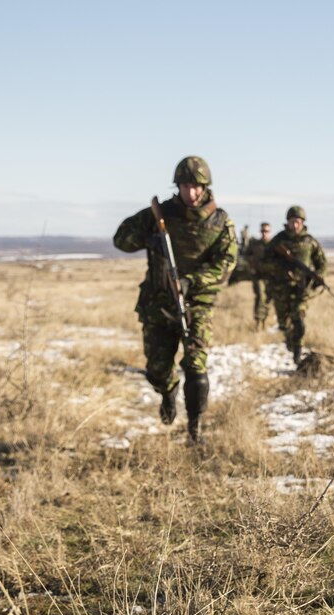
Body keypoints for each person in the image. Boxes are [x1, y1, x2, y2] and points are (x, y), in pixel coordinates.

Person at [112, 156, 238, 442]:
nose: (191, 193)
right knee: (157, 369)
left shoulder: (220, 221)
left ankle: (195, 429)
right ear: (177, 186)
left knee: (196, 365)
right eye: (185, 186)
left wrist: (191, 281)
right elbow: (121, 240)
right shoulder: (161, 214)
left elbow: (227, 264)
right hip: (158, 303)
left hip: (197, 305)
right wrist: (151, 234)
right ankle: (168, 391)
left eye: (196, 186)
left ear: (205, 187)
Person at [263, 206, 327, 364]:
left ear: (302, 222)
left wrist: (316, 278)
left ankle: (297, 351)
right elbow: (264, 261)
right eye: (292, 222)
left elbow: (322, 263)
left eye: (298, 222)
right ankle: (290, 341)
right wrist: (282, 268)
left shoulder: (309, 241)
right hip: (281, 288)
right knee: (284, 323)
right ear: (288, 222)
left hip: (301, 289)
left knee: (299, 320)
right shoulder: (278, 240)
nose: (295, 225)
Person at [244, 222, 273, 329]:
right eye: (263, 231)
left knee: (268, 299)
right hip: (258, 276)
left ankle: (264, 321)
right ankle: (258, 322)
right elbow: (246, 255)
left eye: (267, 231)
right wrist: (251, 265)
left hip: (270, 277)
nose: (264, 233)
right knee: (260, 296)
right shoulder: (255, 245)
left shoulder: (273, 244)